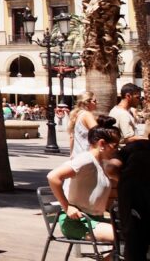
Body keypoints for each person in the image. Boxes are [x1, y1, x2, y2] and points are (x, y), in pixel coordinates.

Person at [47, 115, 121, 244]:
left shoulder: (102, 163)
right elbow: (53, 177)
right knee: (128, 237)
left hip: (96, 219)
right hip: (77, 222)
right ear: (102, 143)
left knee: (136, 234)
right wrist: (67, 207)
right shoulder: (86, 159)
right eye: (115, 146)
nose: (117, 150)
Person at [69, 91, 99, 156]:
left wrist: (71, 154)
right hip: (86, 154)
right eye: (94, 101)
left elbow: (72, 137)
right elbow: (98, 133)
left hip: (77, 154)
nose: (97, 103)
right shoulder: (87, 115)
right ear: (87, 103)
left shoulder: (77, 114)